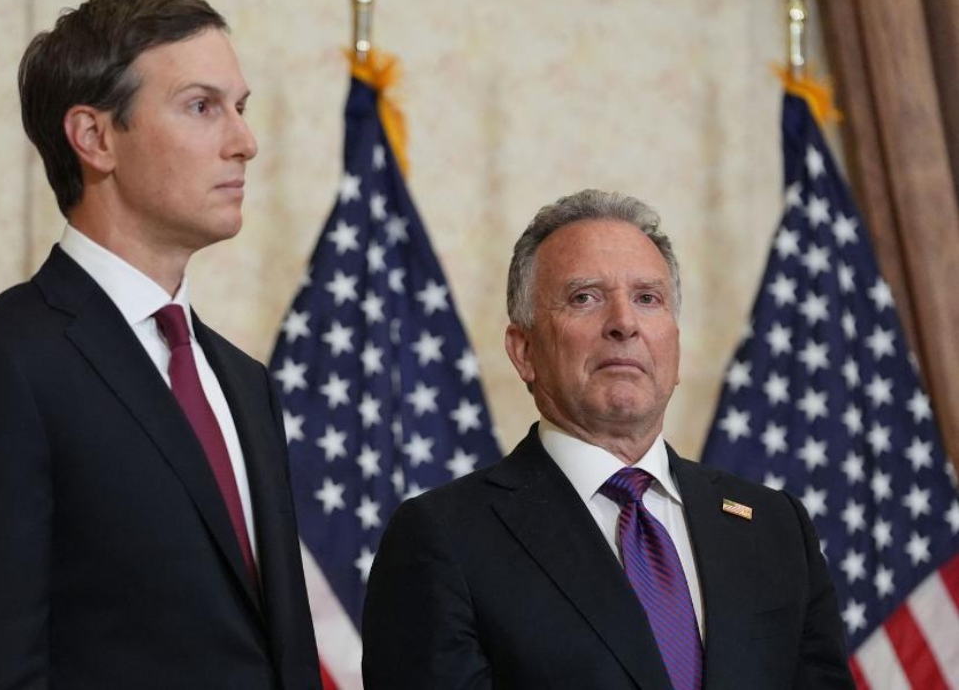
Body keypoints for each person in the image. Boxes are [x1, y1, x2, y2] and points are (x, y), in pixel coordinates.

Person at [0, 0, 321, 688]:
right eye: (201, 106)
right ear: (94, 137)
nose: (244, 141)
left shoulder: (246, 384)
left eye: (240, 107)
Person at [361, 189, 854, 689]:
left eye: (647, 298)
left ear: (675, 346)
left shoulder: (775, 528)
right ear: (524, 351)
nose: (624, 323)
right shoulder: (444, 537)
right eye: (585, 298)